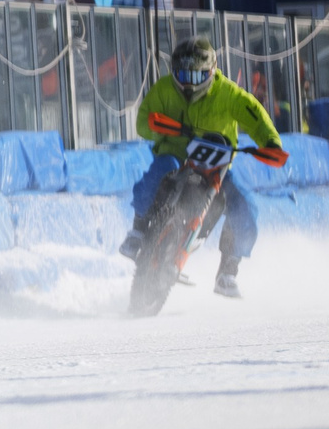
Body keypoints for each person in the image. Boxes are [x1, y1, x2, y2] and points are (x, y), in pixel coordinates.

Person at [121, 38, 286, 298]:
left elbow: (256, 117)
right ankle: (138, 231)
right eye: (183, 75)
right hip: (174, 154)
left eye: (197, 76)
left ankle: (228, 270)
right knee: (154, 177)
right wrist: (161, 128)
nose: (189, 83)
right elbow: (144, 122)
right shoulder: (163, 89)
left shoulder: (230, 94)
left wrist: (271, 143)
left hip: (217, 164)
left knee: (244, 204)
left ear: (212, 72)